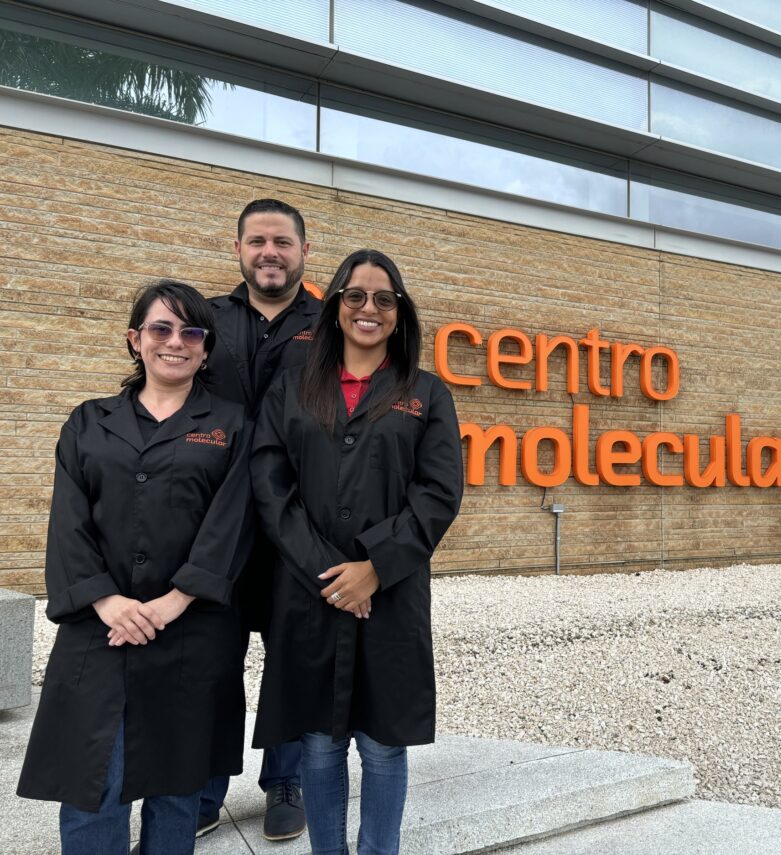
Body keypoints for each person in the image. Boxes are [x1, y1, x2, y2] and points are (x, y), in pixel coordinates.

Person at [17, 280, 251, 855]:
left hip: (190, 631)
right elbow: (68, 523)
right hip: (101, 632)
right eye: (161, 329)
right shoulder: (88, 422)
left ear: (205, 347)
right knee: (96, 781)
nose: (176, 342)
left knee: (176, 786)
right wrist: (108, 602)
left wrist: (173, 601)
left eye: (190, 332)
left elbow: (233, 525)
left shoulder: (232, 425)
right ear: (135, 339)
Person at [251, 249, 463, 854]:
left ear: (400, 314)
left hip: (390, 594)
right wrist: (331, 574)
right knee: (318, 740)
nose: (369, 308)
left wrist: (375, 566)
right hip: (307, 590)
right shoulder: (292, 388)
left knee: (381, 743)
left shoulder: (426, 394)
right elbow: (269, 487)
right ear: (335, 306)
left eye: (384, 299)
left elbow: (439, 492)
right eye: (356, 296)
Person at [197, 198, 323, 841]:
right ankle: (203, 785)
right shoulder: (203, 320)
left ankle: (286, 780)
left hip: (295, 520)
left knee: (292, 657)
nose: (268, 252)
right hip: (213, 519)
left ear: (304, 250)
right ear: (239, 249)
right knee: (211, 658)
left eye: (282, 241)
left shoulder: (329, 326)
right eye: (256, 241)